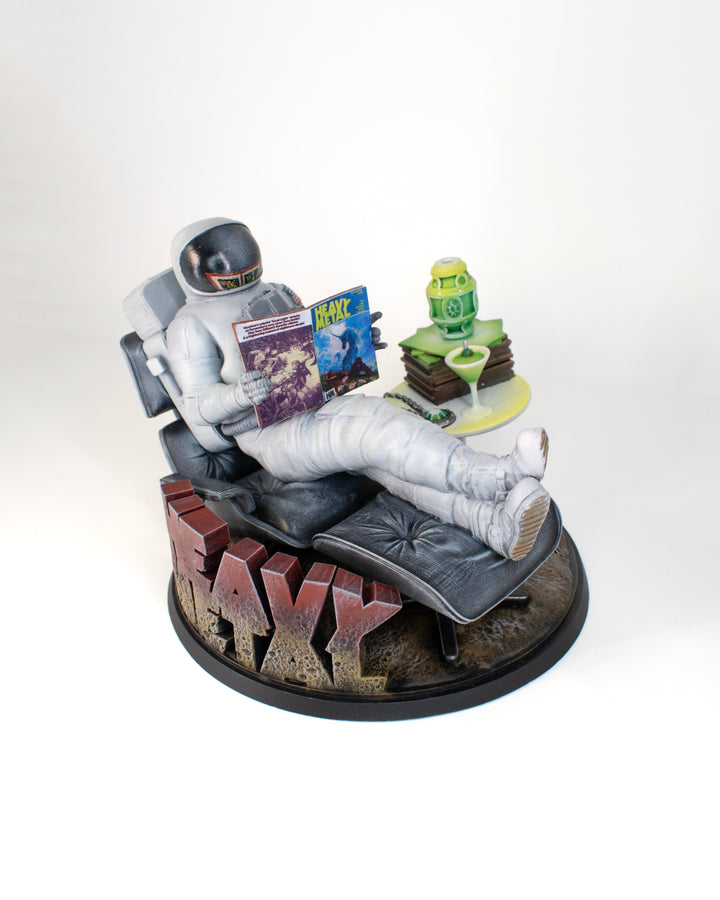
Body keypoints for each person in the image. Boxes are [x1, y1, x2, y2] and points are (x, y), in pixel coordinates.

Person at [163, 217, 551, 561]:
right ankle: (497, 475)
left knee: (388, 467)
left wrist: (355, 341)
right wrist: (239, 395)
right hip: (273, 437)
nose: (232, 261)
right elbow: (196, 406)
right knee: (376, 427)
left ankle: (493, 525)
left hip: (315, 404)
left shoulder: (275, 291)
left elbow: (308, 351)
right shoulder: (189, 324)